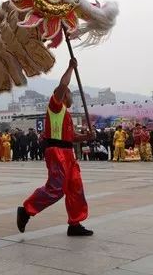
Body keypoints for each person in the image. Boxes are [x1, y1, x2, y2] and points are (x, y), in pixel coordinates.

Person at [17, 58, 95, 236]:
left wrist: (86, 136)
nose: (71, 96)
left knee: (75, 187)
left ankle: (75, 224)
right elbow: (62, 85)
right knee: (56, 189)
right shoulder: (55, 106)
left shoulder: (65, 114)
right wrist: (70, 68)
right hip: (56, 152)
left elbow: (72, 137)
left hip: (68, 153)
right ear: (62, 95)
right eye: (69, 93)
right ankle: (26, 209)